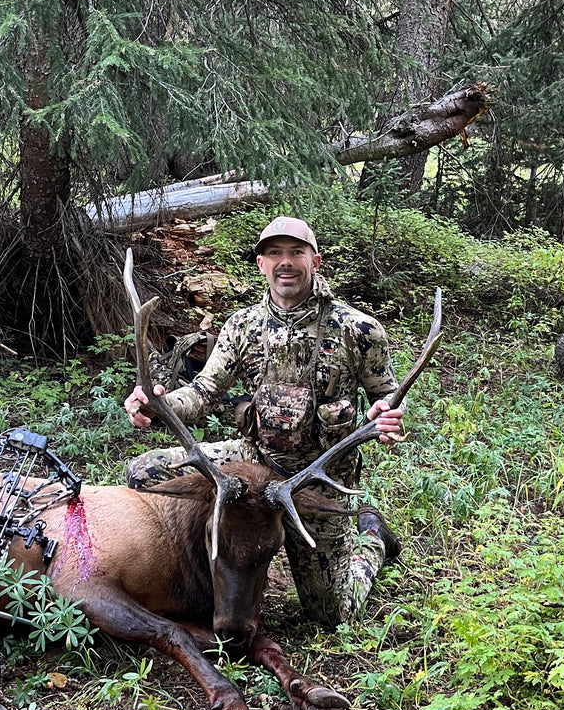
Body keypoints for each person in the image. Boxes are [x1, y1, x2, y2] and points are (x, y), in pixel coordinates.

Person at [123, 216, 404, 626]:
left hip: (316, 481)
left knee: (332, 616)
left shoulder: (359, 330)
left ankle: (373, 538)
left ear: (315, 261)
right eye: (275, 253)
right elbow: (203, 393)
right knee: (144, 472)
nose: (285, 262)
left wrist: (385, 415)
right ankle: (213, 570)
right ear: (261, 264)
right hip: (255, 465)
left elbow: (387, 396)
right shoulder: (243, 326)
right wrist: (158, 403)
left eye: (296, 252)